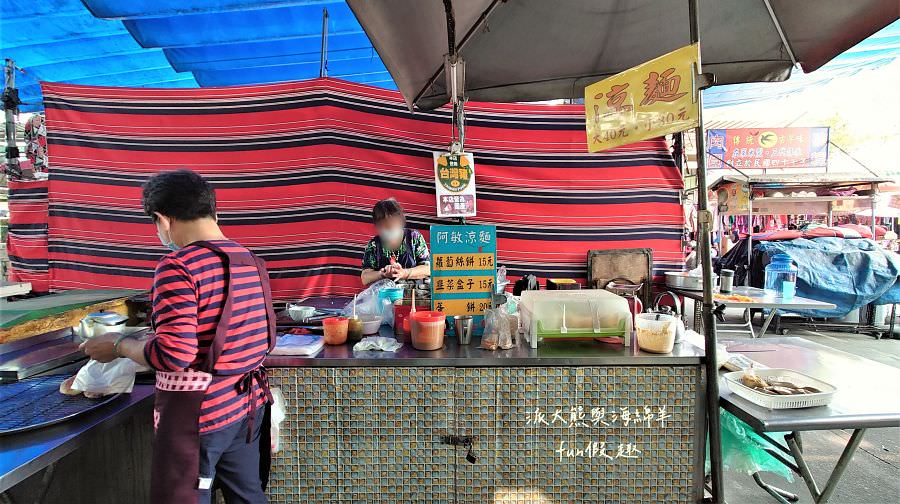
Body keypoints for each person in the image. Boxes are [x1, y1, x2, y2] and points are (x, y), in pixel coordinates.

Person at [81, 170, 276, 504]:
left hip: (200, 417)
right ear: (213, 211)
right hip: (247, 407)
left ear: (163, 219)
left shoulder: (178, 266)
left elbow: (175, 354)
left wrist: (117, 345)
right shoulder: (250, 260)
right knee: (248, 497)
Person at [360, 198, 430, 286]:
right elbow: (365, 278)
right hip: (385, 296)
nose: (387, 229)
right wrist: (382, 274)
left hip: (414, 296)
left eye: (391, 225)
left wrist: (405, 273)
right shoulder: (374, 245)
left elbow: (428, 269)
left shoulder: (414, 238)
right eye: (382, 226)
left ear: (401, 221)